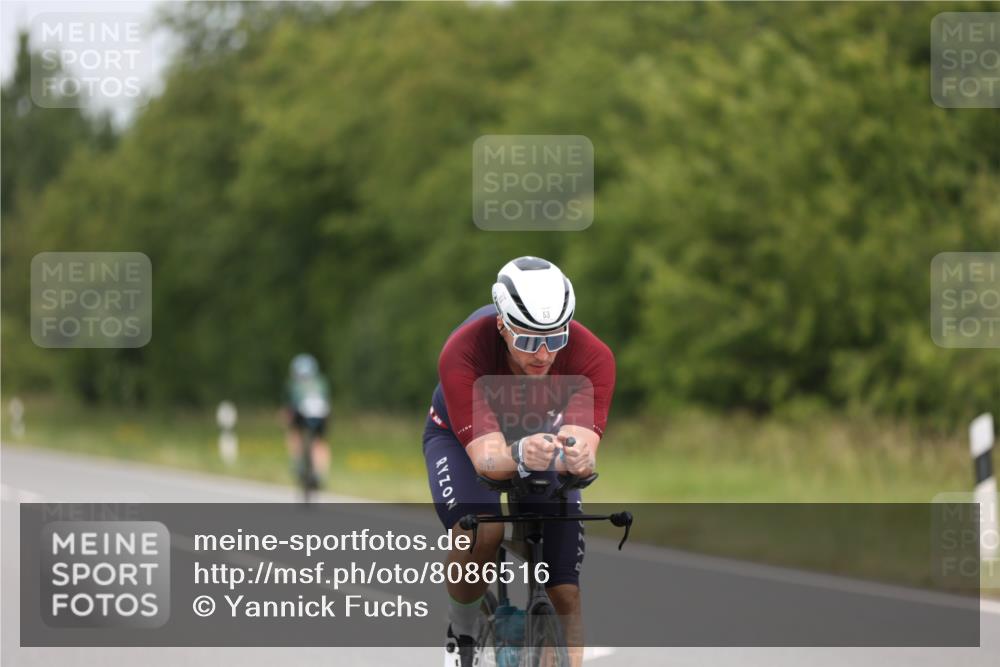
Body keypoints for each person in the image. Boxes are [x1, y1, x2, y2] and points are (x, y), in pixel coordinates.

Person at [423, 257, 616, 667]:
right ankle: (463, 633)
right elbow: (489, 460)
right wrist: (517, 454)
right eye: (528, 341)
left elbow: (583, 444)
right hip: (463, 440)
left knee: (564, 588)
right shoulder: (463, 351)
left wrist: (578, 455)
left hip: (540, 437)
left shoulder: (592, 356)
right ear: (501, 324)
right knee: (482, 532)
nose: (543, 354)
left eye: (555, 339)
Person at [284, 353, 332, 486]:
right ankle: (319, 473)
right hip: (322, 414)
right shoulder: (322, 382)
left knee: (294, 433)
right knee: (320, 442)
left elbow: (291, 407)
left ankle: (298, 463)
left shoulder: (294, 384)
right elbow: (327, 403)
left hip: (301, 412)